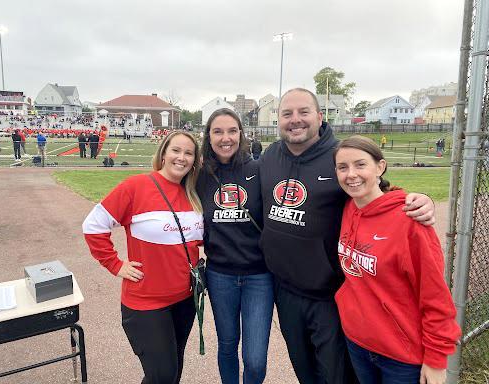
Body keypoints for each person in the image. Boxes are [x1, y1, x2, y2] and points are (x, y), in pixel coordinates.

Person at [258, 88, 435, 384]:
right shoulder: (271, 155)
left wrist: (422, 199)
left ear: (319, 116)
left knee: (336, 374)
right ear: (278, 119)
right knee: (304, 370)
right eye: (287, 114)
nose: (295, 120)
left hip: (331, 293)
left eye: (304, 112)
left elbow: (379, 192)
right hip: (285, 289)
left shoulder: (339, 156)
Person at [333, 135, 460, 384]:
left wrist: (436, 359)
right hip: (357, 341)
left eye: (360, 165)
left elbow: (435, 295)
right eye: (342, 167)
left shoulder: (409, 220)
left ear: (380, 167)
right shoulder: (349, 208)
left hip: (401, 355)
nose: (351, 175)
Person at [83, 131, 203, 384]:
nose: (181, 157)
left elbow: (198, 240)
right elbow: (93, 225)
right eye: (176, 150)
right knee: (162, 374)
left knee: (174, 368)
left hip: (184, 299)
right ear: (163, 153)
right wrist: (115, 264)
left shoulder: (193, 194)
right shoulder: (136, 186)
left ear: (195, 160)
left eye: (189, 153)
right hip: (146, 302)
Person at [197, 108, 271, 384]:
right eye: (218, 131)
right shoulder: (199, 175)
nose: (225, 138)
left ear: (241, 134)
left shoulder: (259, 169)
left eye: (231, 131)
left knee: (255, 358)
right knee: (227, 345)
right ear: (208, 136)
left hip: (259, 276)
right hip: (220, 276)